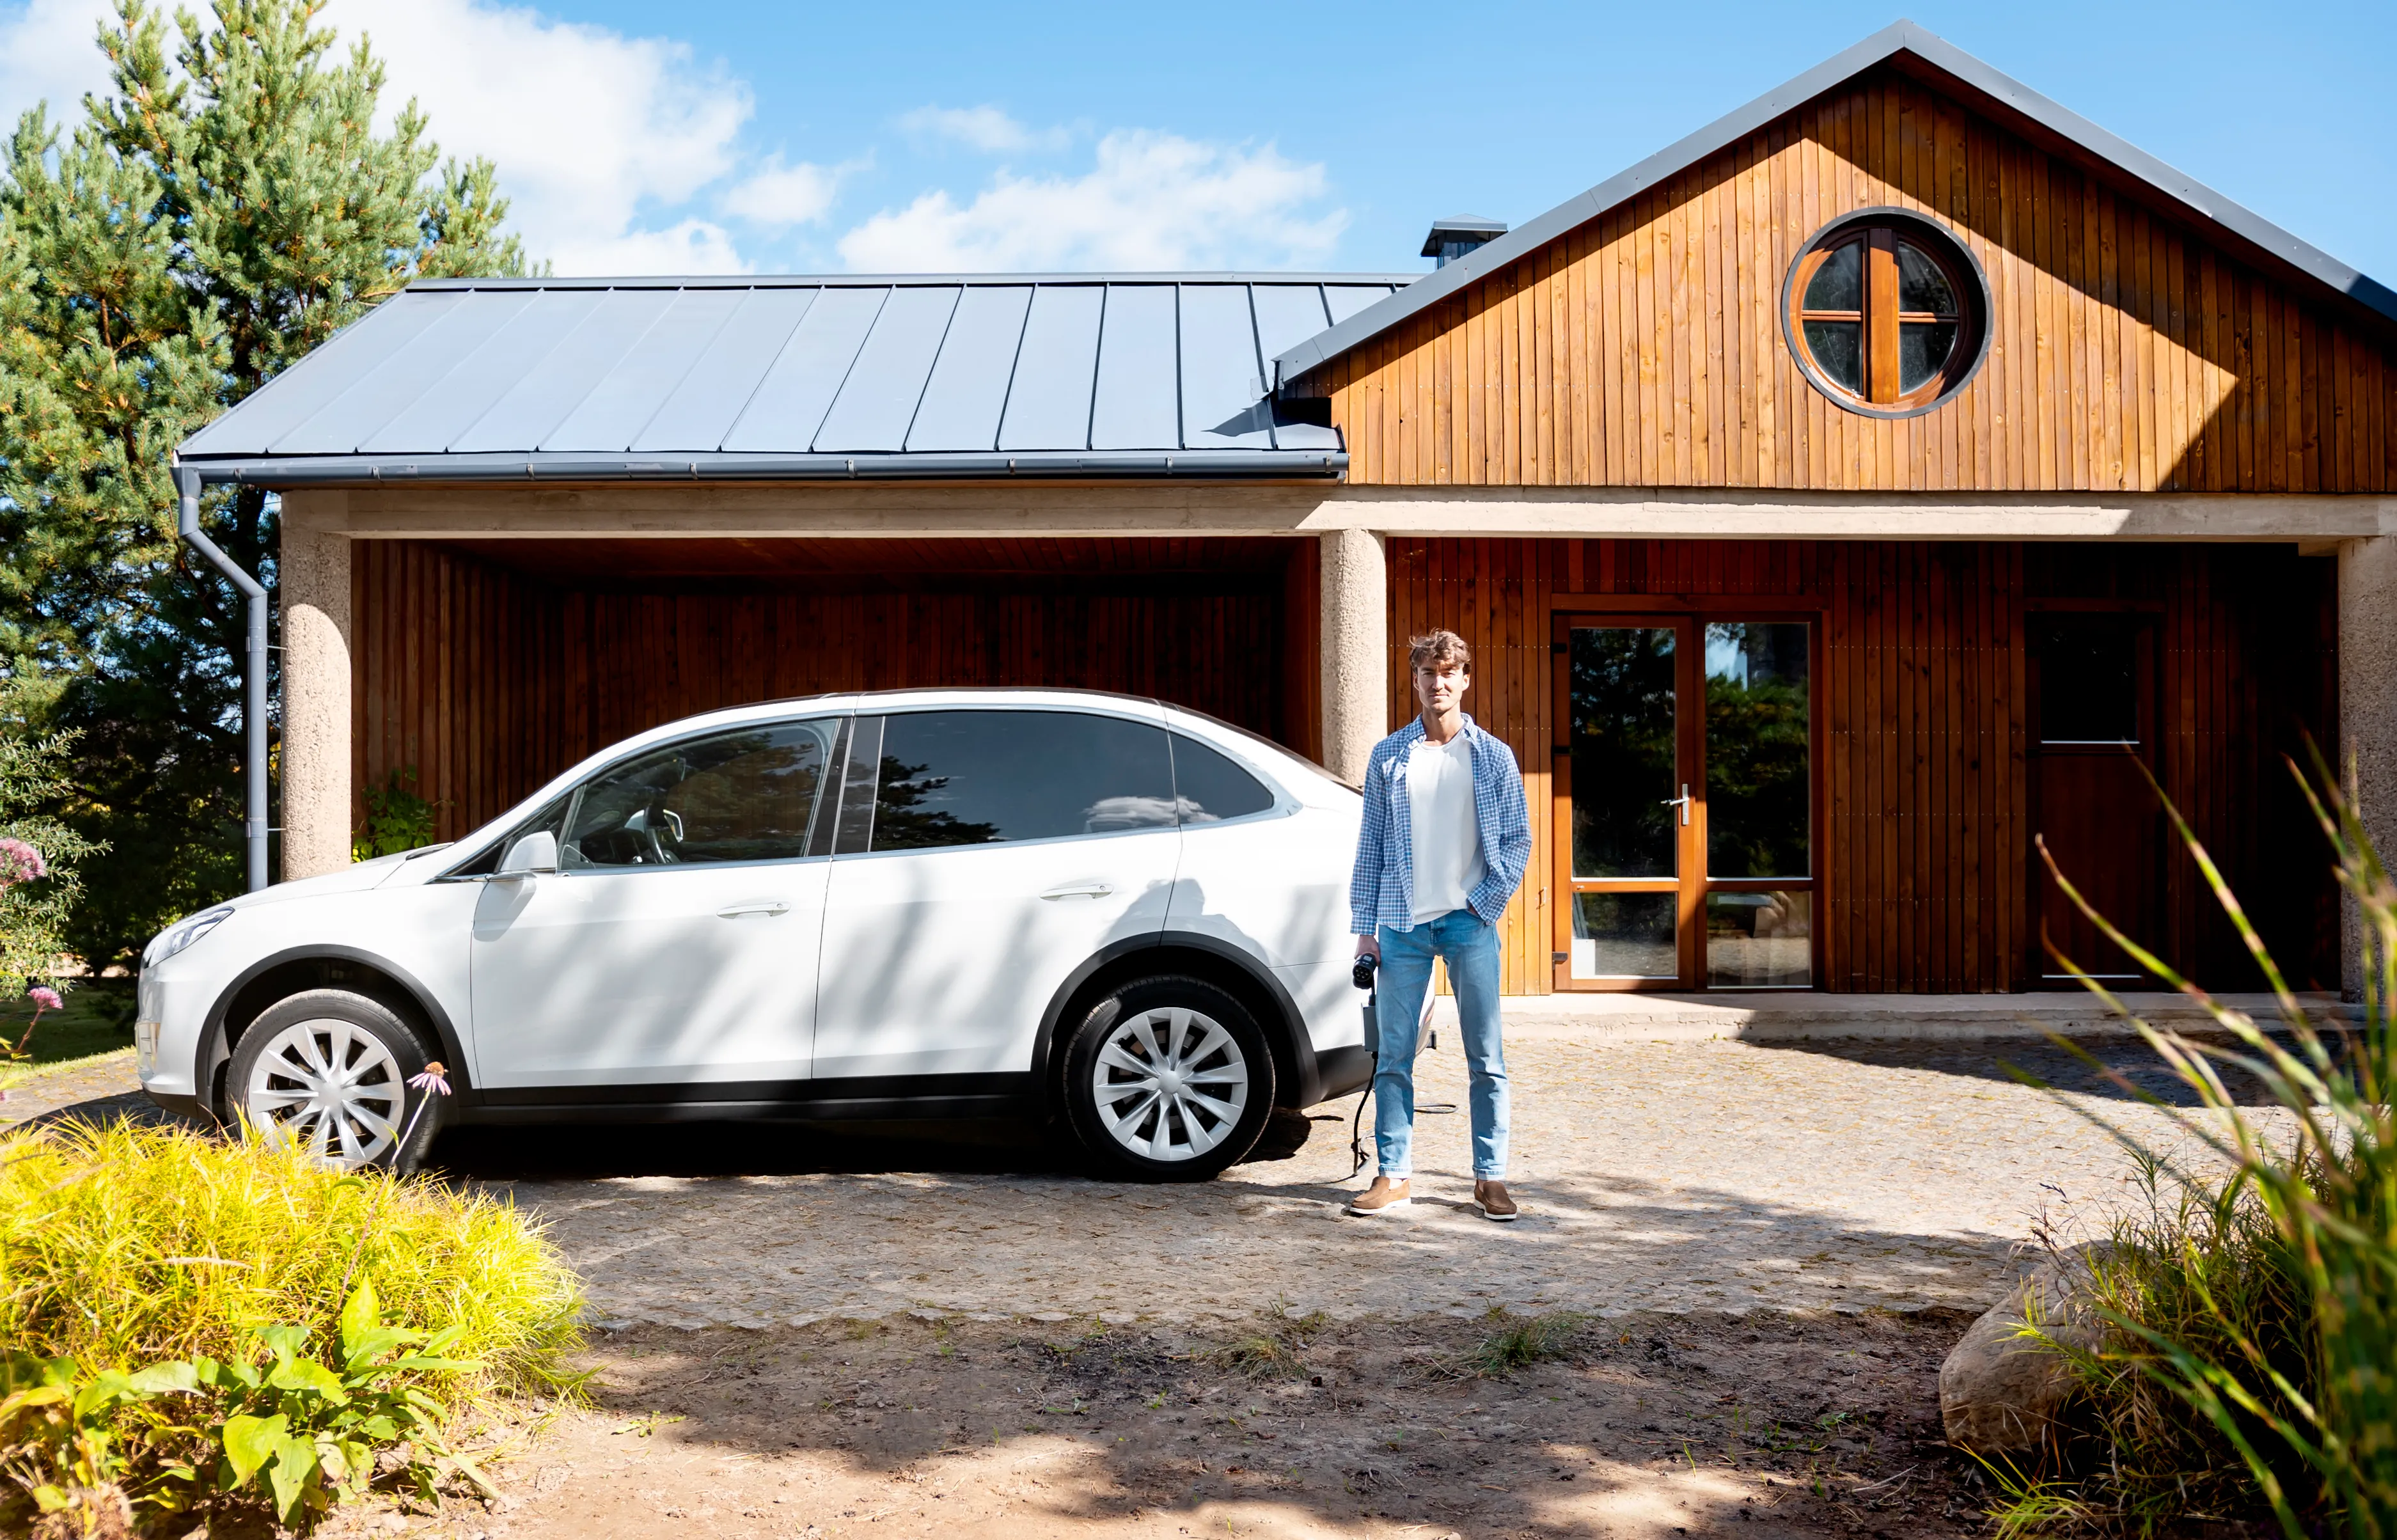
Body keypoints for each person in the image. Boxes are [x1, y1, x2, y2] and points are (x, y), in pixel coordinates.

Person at [1344, 629, 1531, 1221]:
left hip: (1468, 923)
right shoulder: (1388, 756)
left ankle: (1491, 1178)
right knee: (1395, 1056)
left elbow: (1518, 840)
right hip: (1402, 924)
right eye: (1428, 672)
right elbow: (1370, 844)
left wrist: (1484, 904)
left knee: (1487, 1058)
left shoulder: (1493, 755)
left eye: (1449, 672)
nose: (1439, 682)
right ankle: (1393, 1175)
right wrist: (1364, 927)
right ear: (1416, 681)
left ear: (1465, 679)